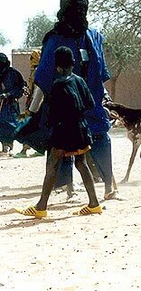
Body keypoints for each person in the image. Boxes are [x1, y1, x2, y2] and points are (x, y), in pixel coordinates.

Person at [33, 0, 119, 200]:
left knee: (99, 138)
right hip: (64, 106)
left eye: (82, 9)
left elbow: (101, 72)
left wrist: (103, 96)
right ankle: (68, 188)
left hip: (92, 103)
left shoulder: (95, 36)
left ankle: (109, 187)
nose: (78, 13)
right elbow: (43, 75)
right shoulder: (54, 40)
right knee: (63, 148)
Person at [15, 46, 101, 218]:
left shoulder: (58, 84)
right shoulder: (79, 81)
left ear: (57, 66)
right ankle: (94, 204)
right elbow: (89, 103)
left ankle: (41, 207)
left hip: (64, 132)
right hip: (81, 128)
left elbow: (51, 114)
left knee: (52, 165)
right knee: (81, 163)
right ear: (73, 63)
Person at [14, 49, 43, 158]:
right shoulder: (36, 70)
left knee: (28, 125)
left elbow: (38, 89)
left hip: (35, 103)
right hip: (33, 101)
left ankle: (24, 150)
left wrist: (33, 105)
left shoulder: (38, 71)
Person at [0, 53, 26, 154]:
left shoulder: (14, 74)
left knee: (11, 125)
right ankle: (4, 146)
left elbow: (20, 87)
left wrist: (8, 95)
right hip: (1, 105)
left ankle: (11, 145)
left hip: (11, 105)